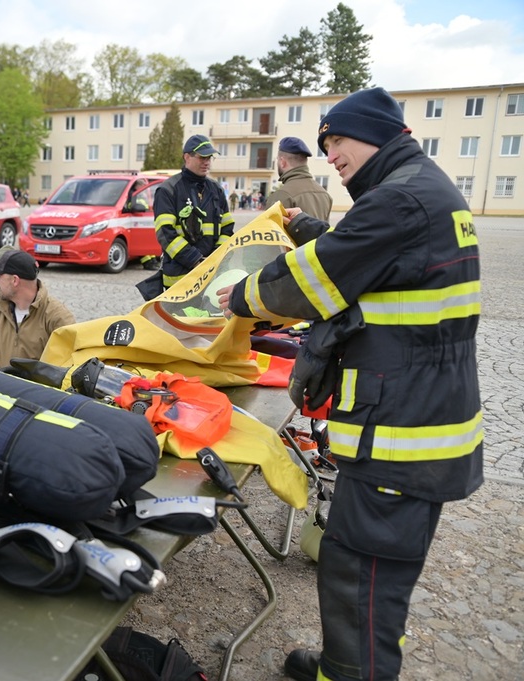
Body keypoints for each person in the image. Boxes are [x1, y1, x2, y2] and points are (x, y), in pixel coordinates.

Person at [217, 87, 483, 681]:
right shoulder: (420, 190)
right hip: (423, 425)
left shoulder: (401, 201)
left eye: (337, 140)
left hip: (399, 436)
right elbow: (370, 257)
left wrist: (237, 296)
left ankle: (351, 671)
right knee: (377, 576)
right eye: (324, 144)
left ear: (375, 134)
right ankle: (353, 661)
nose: (329, 154)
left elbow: (308, 284)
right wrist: (311, 225)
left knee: (360, 572)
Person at [153, 134, 235, 291]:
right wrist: (195, 260)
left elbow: (227, 228)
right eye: (202, 157)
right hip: (180, 277)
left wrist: (216, 259)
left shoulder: (216, 189)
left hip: (212, 274)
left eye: (209, 157)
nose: (207, 162)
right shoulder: (168, 190)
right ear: (187, 157)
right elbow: (165, 233)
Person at [0, 248, 75, 368]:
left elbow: (68, 368)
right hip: (1, 386)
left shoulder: (57, 317)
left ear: (14, 280)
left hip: (37, 387)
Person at [265, 136, 333, 221]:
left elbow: (269, 231)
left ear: (282, 162)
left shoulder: (282, 195)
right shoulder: (324, 194)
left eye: (278, 160)